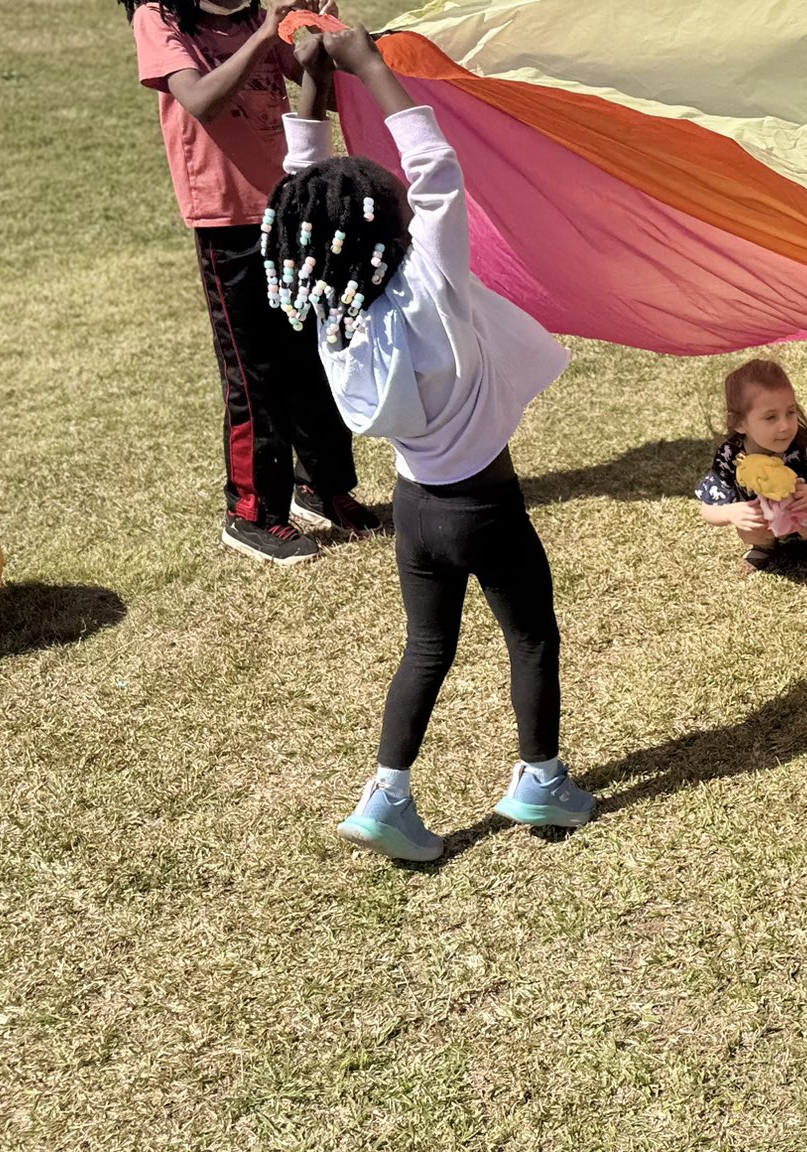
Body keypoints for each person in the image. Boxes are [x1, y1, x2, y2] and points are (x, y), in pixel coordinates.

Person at [272, 29, 594, 861]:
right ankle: (541, 781)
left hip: (417, 510)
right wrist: (370, 66)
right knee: (531, 637)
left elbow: (304, 200)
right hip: (485, 504)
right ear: (389, 231)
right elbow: (439, 173)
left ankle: (386, 794)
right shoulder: (433, 288)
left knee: (427, 649)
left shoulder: (329, 313)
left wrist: (310, 91)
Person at [120, 0, 381, 566]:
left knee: (315, 358)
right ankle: (253, 513)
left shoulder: (254, 18)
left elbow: (320, 92)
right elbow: (200, 100)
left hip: (290, 209)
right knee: (254, 374)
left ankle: (322, 485)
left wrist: (316, 42)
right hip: (226, 223)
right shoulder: (160, 19)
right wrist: (267, 32)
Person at [697, 359, 807, 578]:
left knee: (804, 516)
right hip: (768, 520)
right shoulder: (730, 453)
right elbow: (707, 508)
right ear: (739, 423)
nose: (785, 425)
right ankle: (764, 547)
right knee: (749, 527)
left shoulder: (804, 444)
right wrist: (731, 513)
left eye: (790, 412)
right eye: (771, 417)